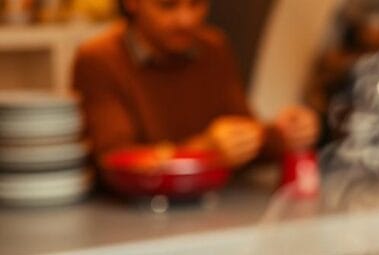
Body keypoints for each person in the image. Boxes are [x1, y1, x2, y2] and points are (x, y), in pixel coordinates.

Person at [72, 0, 319, 168]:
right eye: (167, 5)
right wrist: (203, 151)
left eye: (196, 3)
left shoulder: (213, 47)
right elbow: (114, 160)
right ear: (132, 2)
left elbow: (244, 133)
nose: (185, 20)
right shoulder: (99, 59)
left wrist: (282, 134)